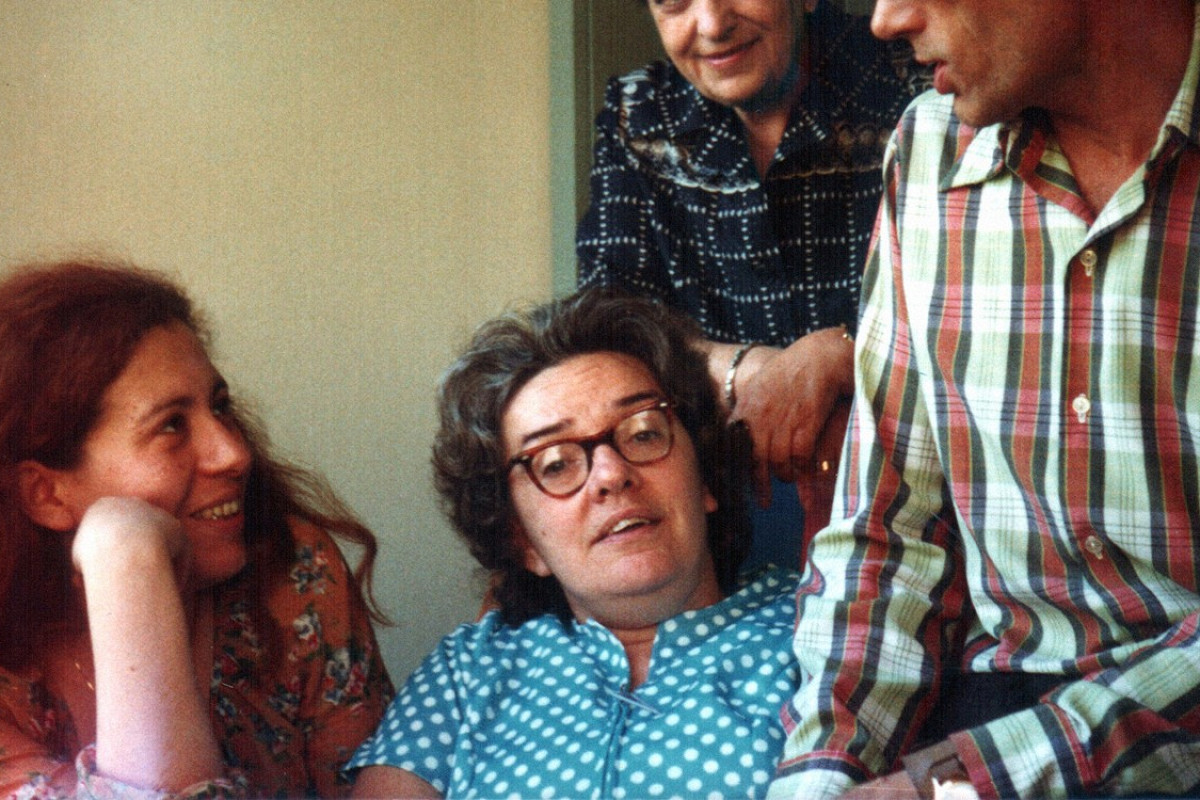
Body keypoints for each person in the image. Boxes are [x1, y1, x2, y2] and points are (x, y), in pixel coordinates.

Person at [769, 1, 1200, 798]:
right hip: (986, 712)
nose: (885, 19)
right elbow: (886, 531)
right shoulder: (929, 148)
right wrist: (823, 776)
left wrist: (954, 786)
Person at [346, 289, 801, 799]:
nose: (611, 474)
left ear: (705, 478)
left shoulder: (818, 625)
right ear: (521, 538)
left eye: (643, 433)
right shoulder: (467, 672)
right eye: (556, 463)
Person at [0, 259, 393, 799]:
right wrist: (126, 556)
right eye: (171, 425)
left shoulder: (295, 573)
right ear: (46, 494)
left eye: (220, 407)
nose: (234, 453)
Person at [576, 0, 928, 563]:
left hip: (919, 485)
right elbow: (605, 321)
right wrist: (747, 369)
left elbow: (981, 302)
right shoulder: (639, 111)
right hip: (727, 503)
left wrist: (841, 355)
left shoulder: (918, 81)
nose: (712, 25)